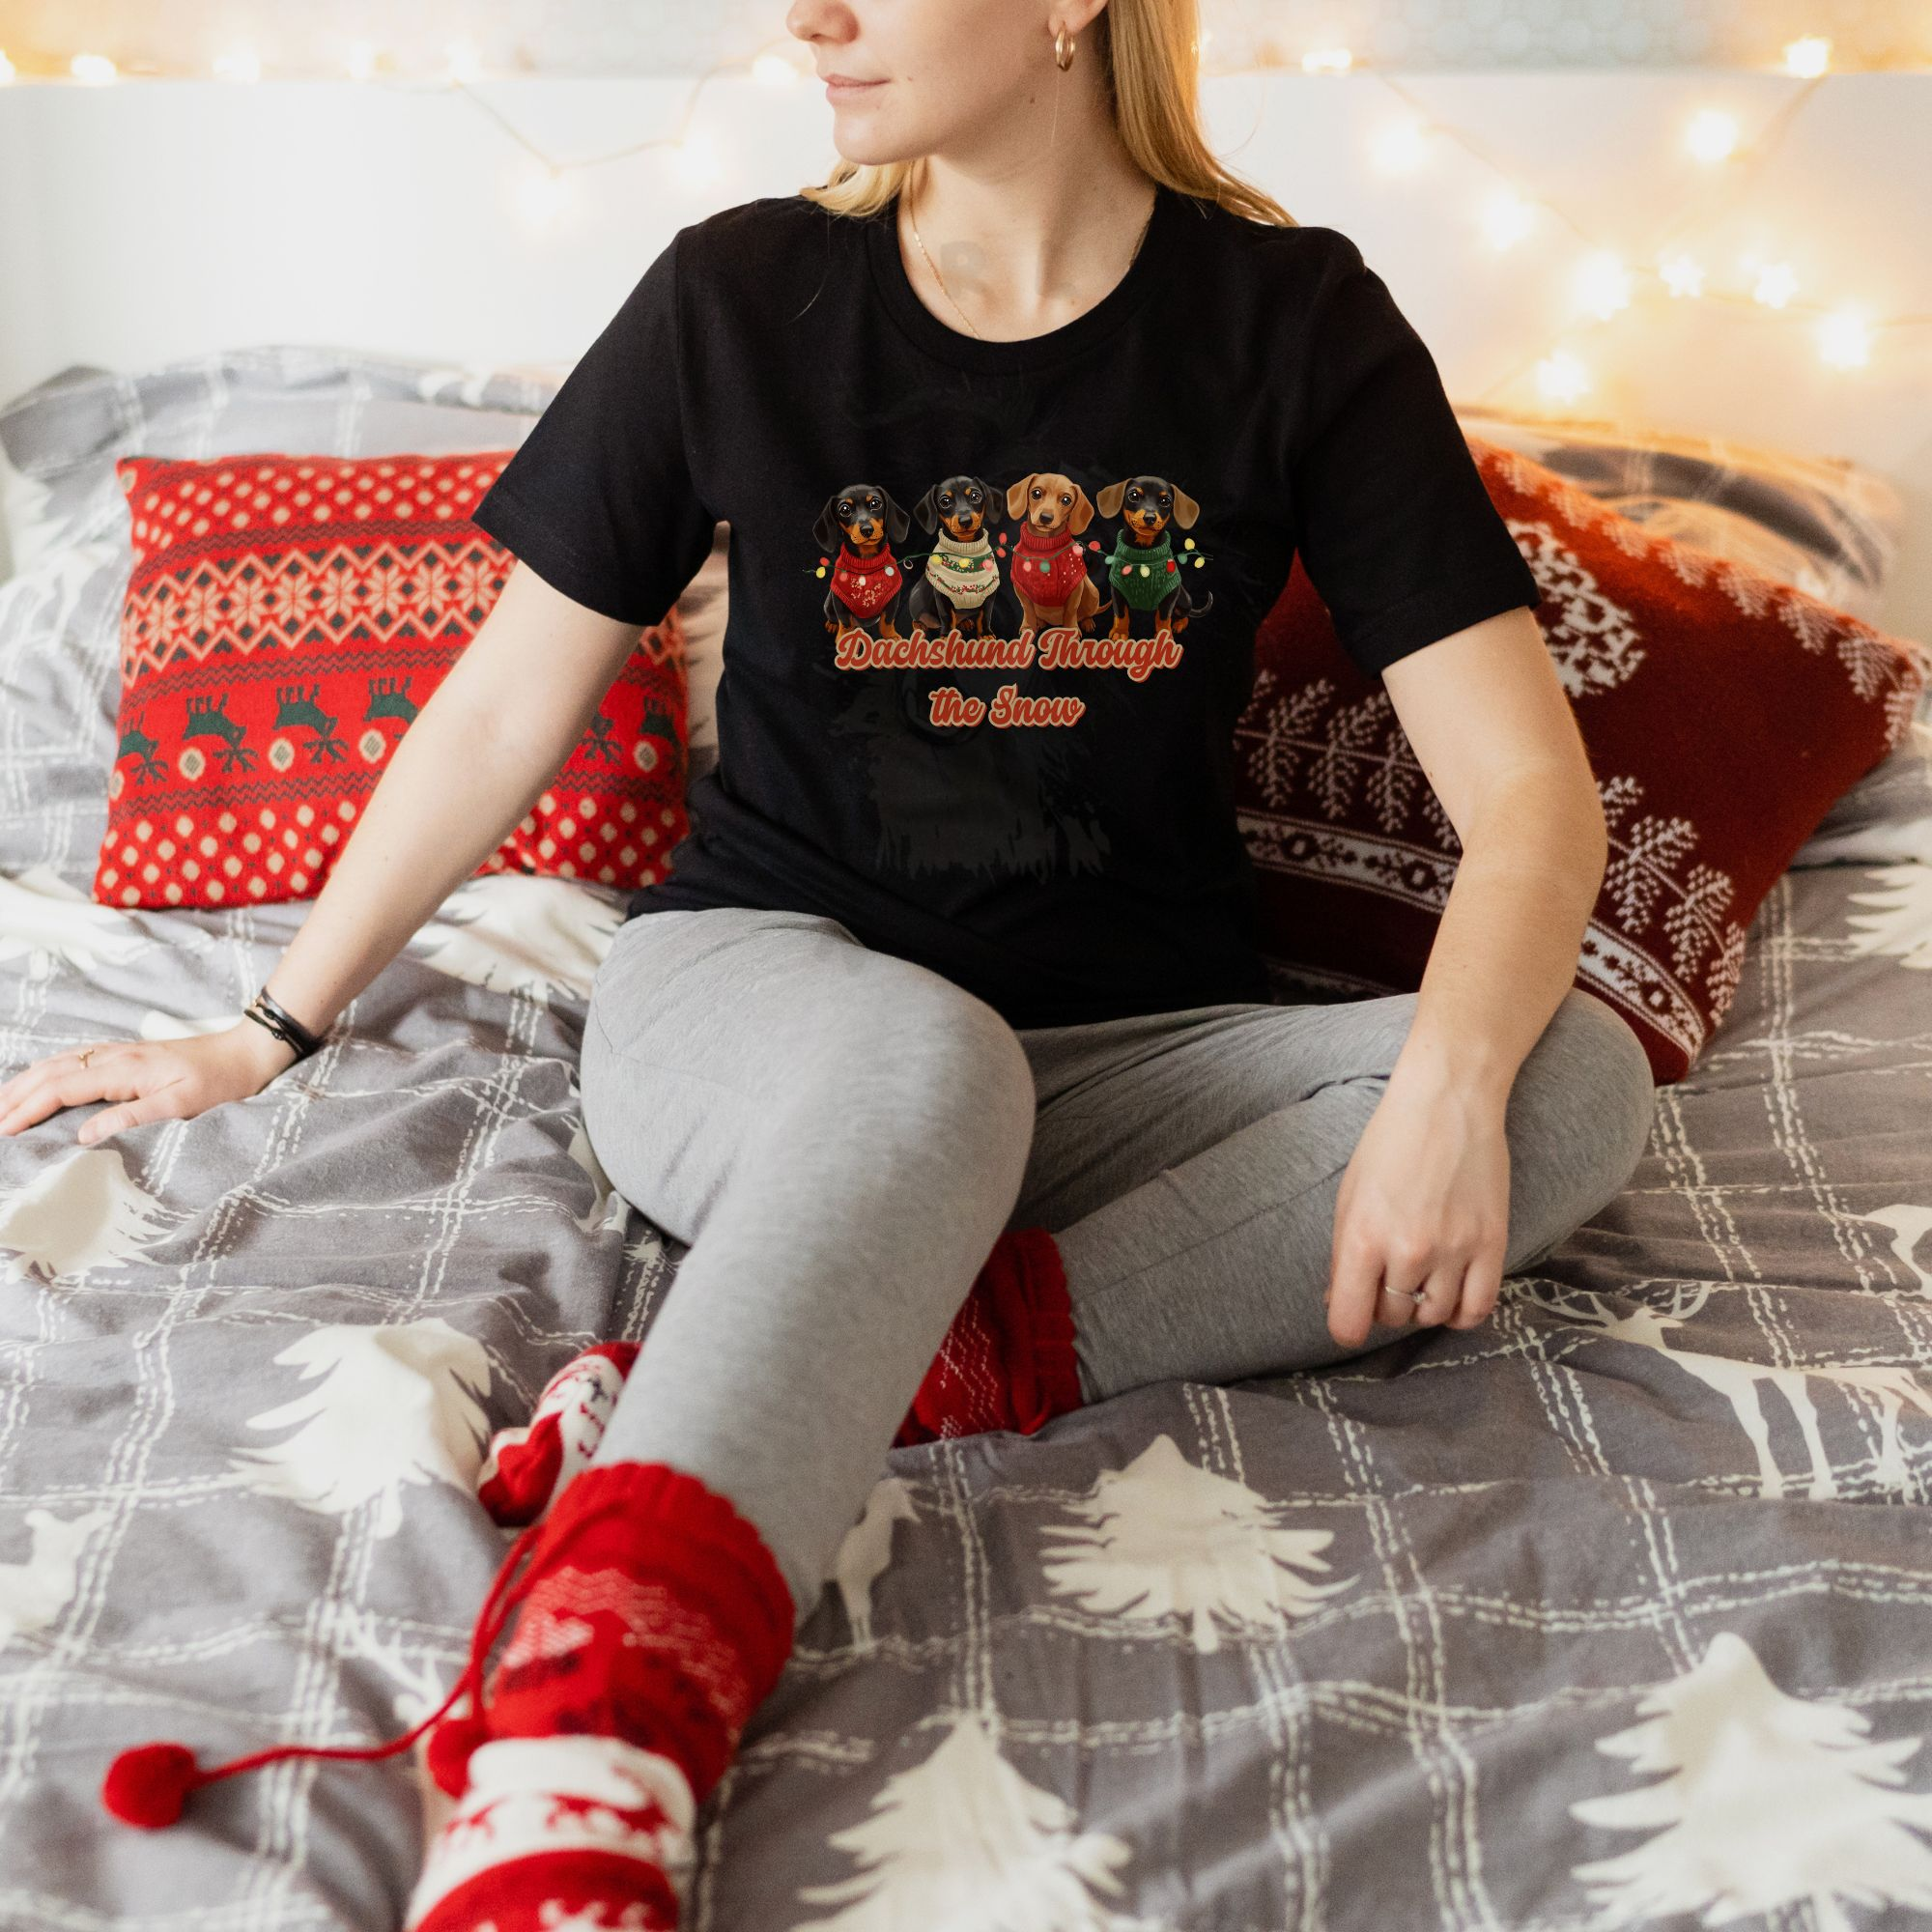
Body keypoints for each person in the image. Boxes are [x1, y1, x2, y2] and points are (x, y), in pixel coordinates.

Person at [5, 1, 1658, 1925]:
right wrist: (269, 1021)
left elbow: (1534, 798)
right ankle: (591, 1725)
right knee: (923, 1063)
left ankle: (825, 1357)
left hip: (1114, 1061)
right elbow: (493, 711)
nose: (814, 12)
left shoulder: (1288, 320)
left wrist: (1450, 1086)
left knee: (1572, 1074)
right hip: (762, 1004)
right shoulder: (742, 293)